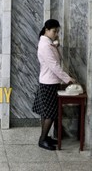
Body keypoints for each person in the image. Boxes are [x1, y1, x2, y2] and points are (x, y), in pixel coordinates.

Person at [32, 19, 76, 151]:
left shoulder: (48, 43)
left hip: (49, 82)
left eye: (57, 31)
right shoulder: (45, 46)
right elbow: (54, 66)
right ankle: (42, 140)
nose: (56, 34)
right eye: (54, 31)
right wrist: (68, 79)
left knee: (46, 112)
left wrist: (56, 45)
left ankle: (45, 137)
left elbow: (56, 59)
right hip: (49, 83)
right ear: (46, 29)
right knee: (50, 113)